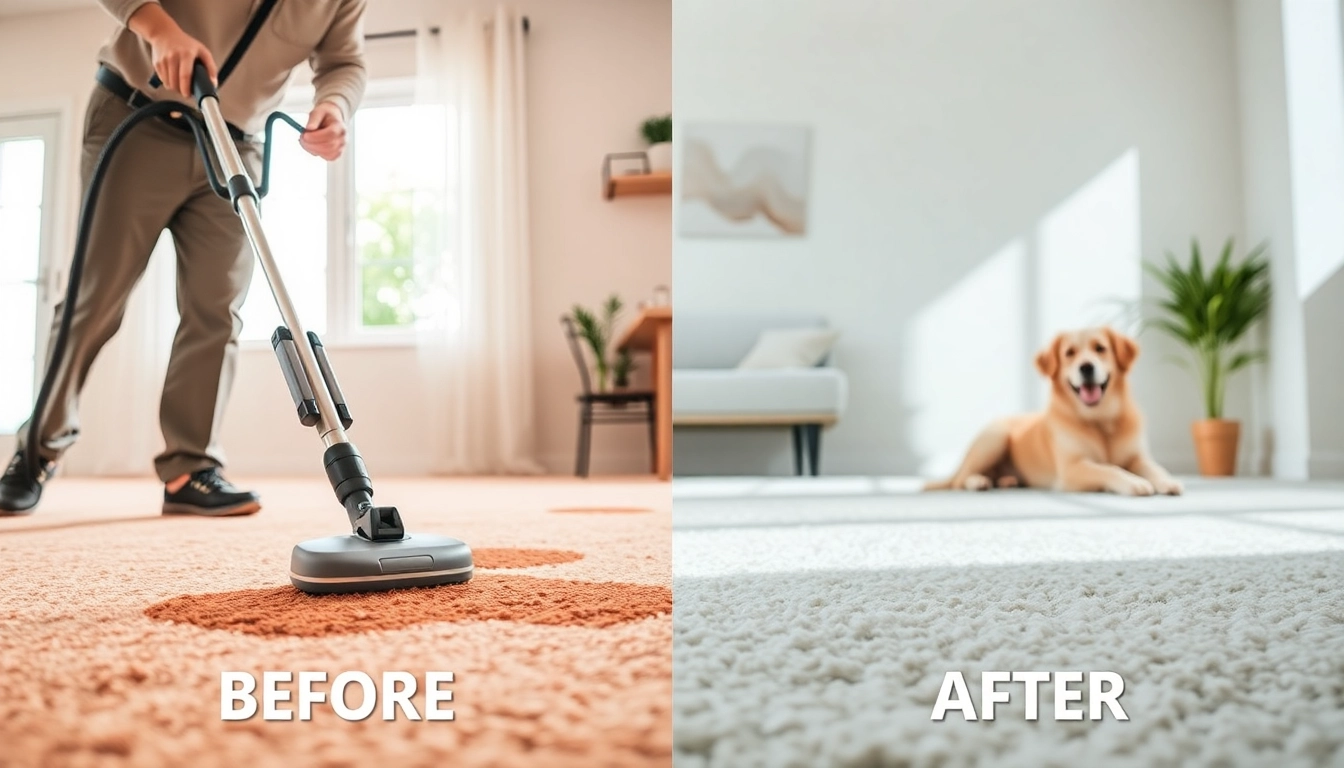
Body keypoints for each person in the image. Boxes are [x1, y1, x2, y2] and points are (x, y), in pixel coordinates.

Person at [0, 0, 367, 516]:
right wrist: (159, 29)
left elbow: (344, 62)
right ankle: (35, 452)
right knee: (95, 297)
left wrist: (335, 105)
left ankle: (190, 470)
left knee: (217, 310)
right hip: (137, 114)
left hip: (235, 143)